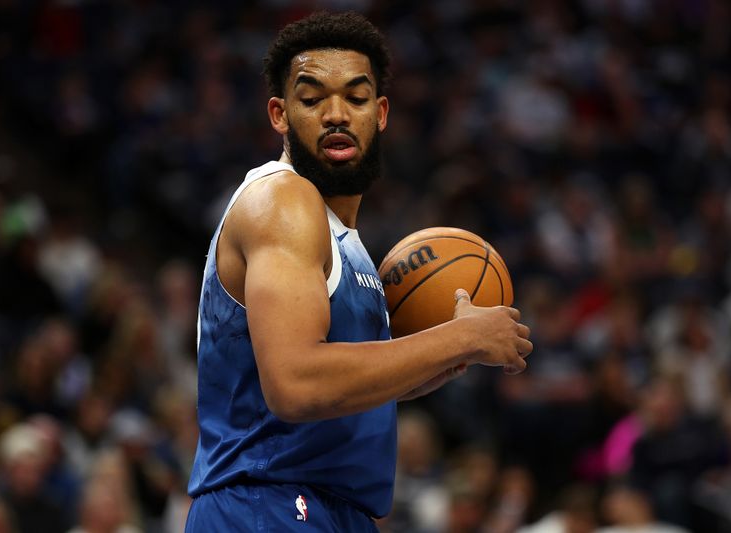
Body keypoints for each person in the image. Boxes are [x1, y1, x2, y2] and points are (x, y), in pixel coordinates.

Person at [185, 12, 532, 532]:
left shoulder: (344, 239)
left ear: (381, 112)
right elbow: (297, 384)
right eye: (312, 98)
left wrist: (441, 357)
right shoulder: (284, 201)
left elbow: (344, 392)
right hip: (267, 504)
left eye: (355, 96)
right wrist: (458, 339)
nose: (336, 114)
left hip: (329, 509)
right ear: (279, 115)